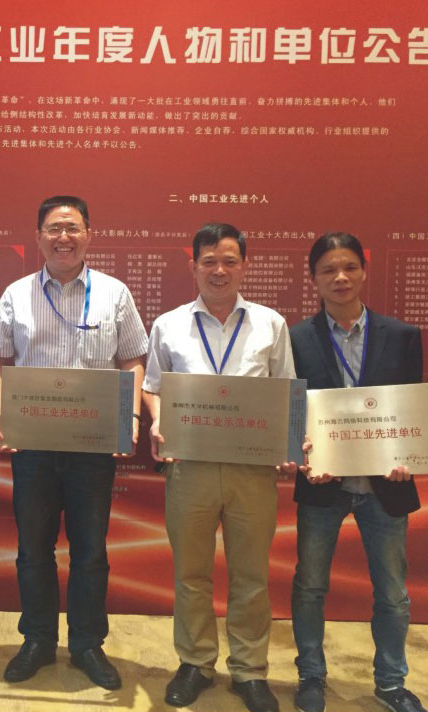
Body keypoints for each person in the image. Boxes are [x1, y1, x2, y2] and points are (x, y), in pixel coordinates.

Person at [0, 195, 147, 691]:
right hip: (32, 446)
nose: (63, 238)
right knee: (33, 549)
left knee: (90, 550)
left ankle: (87, 644)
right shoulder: (17, 294)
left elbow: (133, 359)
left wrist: (129, 415)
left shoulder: (114, 294)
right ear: (38, 238)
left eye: (72, 227)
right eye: (53, 228)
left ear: (89, 234)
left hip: (92, 446)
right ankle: (37, 639)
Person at [142, 223, 295, 712]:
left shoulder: (271, 324)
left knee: (251, 575)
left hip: (253, 470)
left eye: (229, 260)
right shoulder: (169, 325)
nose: (219, 270)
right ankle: (195, 662)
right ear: (193, 267)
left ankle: (249, 670)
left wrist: (290, 444)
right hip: (190, 467)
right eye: (209, 261)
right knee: (191, 573)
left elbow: (287, 391)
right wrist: (158, 420)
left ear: (244, 266)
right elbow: (152, 387)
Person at [290, 233, 427, 712]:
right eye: (328, 269)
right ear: (313, 278)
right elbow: (292, 412)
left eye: (349, 266)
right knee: (310, 587)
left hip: (385, 486)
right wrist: (304, 456)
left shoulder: (402, 335)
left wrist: (409, 455)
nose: (340, 277)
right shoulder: (296, 338)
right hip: (322, 485)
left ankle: (391, 683)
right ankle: (311, 676)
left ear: (364, 271)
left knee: (392, 593)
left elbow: (411, 408)